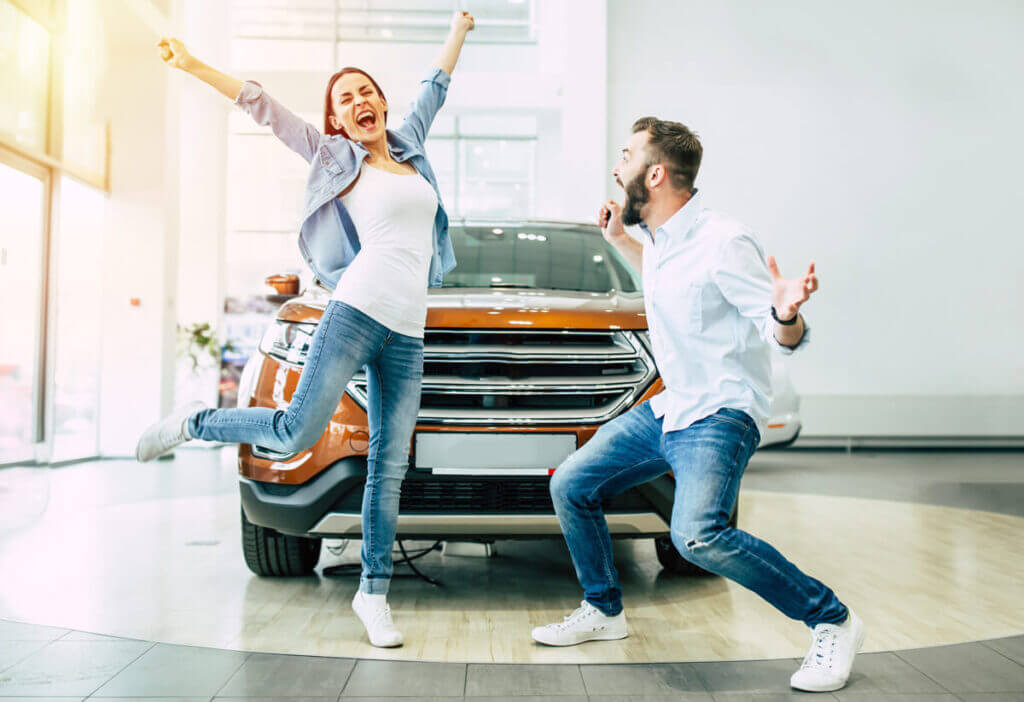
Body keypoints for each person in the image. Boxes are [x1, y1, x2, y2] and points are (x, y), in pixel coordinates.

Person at [136, 11, 476, 649]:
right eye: (344, 98)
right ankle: (194, 422)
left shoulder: (410, 148)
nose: (359, 101)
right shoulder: (331, 155)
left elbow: (435, 84)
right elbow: (261, 106)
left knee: (388, 465)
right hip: (355, 309)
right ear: (337, 120)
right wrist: (190, 64)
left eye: (366, 90)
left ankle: (373, 594)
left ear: (380, 101)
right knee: (296, 428)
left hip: (407, 330)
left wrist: (459, 27)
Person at [531, 117, 864, 693]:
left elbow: (779, 331)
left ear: (654, 174)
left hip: (719, 413)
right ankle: (604, 610)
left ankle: (832, 620)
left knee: (699, 536)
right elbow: (666, 279)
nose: (616, 167)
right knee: (571, 484)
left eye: (627, 156)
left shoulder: (723, 240)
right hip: (670, 408)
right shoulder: (660, 239)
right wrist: (619, 242)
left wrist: (786, 312)